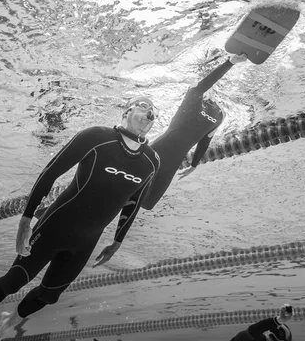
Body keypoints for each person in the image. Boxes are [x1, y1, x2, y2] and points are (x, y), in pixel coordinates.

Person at [0, 97, 161, 341]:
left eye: (153, 111)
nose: (150, 114)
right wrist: (26, 219)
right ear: (127, 110)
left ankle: (9, 321)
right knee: (14, 281)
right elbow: (51, 172)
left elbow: (133, 203)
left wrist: (117, 242)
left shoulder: (152, 161)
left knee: (49, 296)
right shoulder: (96, 137)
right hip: (56, 225)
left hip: (86, 240)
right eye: (144, 106)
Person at [93, 52, 247, 266]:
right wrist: (230, 63)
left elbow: (205, 141)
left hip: (171, 165)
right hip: (154, 153)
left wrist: (194, 164)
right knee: (122, 187)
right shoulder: (194, 98)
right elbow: (205, 83)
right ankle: (86, 205)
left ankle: (105, 225)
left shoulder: (220, 115)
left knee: (143, 202)